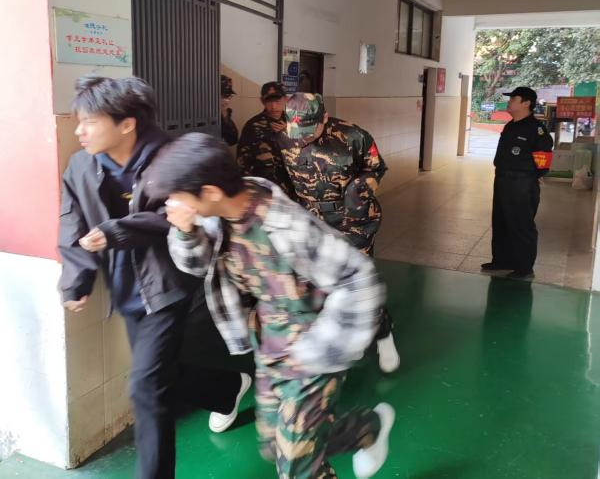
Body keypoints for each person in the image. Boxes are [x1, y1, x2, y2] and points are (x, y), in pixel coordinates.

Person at [147, 133, 396, 479]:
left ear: (211, 192)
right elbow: (196, 264)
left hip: (315, 342)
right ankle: (364, 429)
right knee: (272, 443)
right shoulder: (214, 217)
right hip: (270, 341)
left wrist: (321, 351)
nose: (172, 204)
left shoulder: (285, 223)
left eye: (178, 196)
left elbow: (359, 278)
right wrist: (185, 232)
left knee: (296, 466)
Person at [58, 75, 251, 479]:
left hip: (168, 284)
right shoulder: (80, 165)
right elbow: (71, 221)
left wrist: (118, 230)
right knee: (162, 375)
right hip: (124, 287)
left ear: (126, 124)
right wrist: (77, 280)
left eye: (90, 122)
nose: (79, 131)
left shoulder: (170, 159)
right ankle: (227, 388)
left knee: (145, 388)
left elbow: (180, 215)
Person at [279, 92, 399, 373]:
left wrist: (358, 192)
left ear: (324, 117)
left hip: (352, 220)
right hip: (310, 221)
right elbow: (283, 178)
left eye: (310, 130)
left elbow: (377, 169)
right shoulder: (284, 137)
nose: (303, 138)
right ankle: (340, 339)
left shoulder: (353, 136)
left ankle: (383, 334)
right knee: (316, 284)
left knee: (358, 283)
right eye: (298, 131)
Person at [481, 86, 554, 279]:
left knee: (521, 224)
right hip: (502, 179)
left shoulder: (536, 129)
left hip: (521, 182)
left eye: (514, 98)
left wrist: (533, 176)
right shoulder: (511, 125)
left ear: (526, 103)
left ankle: (524, 267)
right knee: (501, 221)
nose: (510, 101)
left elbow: (544, 158)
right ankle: (502, 260)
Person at [236, 81, 296, 198]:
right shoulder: (252, 126)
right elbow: (242, 161)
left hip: (291, 187)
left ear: (286, 99)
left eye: (277, 101)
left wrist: (289, 132)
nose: (273, 106)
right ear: (262, 101)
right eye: (269, 101)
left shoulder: (294, 123)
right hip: (264, 189)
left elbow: (306, 152)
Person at [220, 75, 238, 146]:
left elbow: (232, 140)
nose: (227, 101)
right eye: (223, 96)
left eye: (229, 96)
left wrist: (225, 117)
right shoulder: (201, 116)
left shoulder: (225, 113)